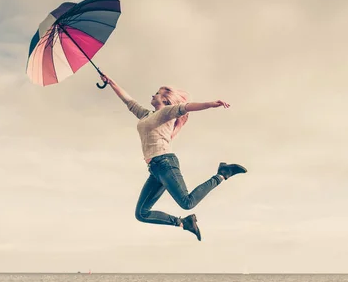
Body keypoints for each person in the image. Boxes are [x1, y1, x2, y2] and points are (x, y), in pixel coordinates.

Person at [100, 73, 247, 241]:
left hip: (165, 163)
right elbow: (129, 102)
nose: (153, 94)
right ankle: (184, 223)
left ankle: (223, 173)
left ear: (166, 100)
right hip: (155, 169)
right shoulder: (146, 115)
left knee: (187, 202)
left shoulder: (168, 112)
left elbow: (187, 107)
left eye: (157, 93)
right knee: (142, 213)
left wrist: (211, 104)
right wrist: (111, 83)